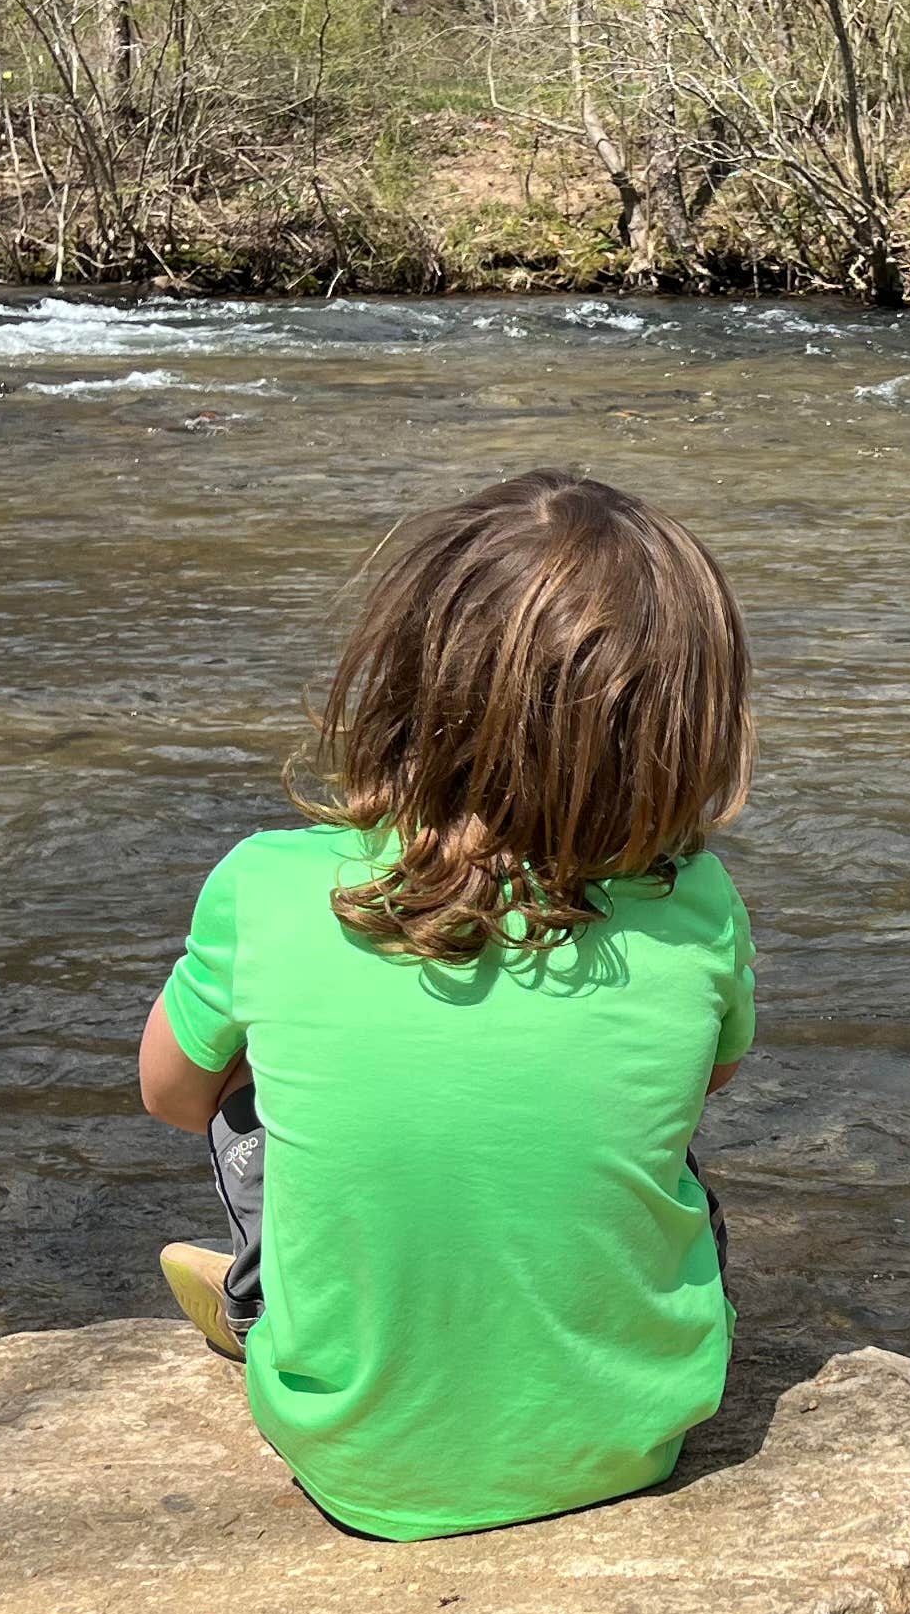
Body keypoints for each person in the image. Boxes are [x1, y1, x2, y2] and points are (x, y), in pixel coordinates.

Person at [136, 470, 755, 1539]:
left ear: (412, 682)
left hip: (356, 1455)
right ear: (683, 727)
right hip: (633, 1438)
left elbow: (169, 1098)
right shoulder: (700, 900)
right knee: (651, 1132)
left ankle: (262, 1296)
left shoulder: (272, 882)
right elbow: (711, 1078)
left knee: (248, 1098)